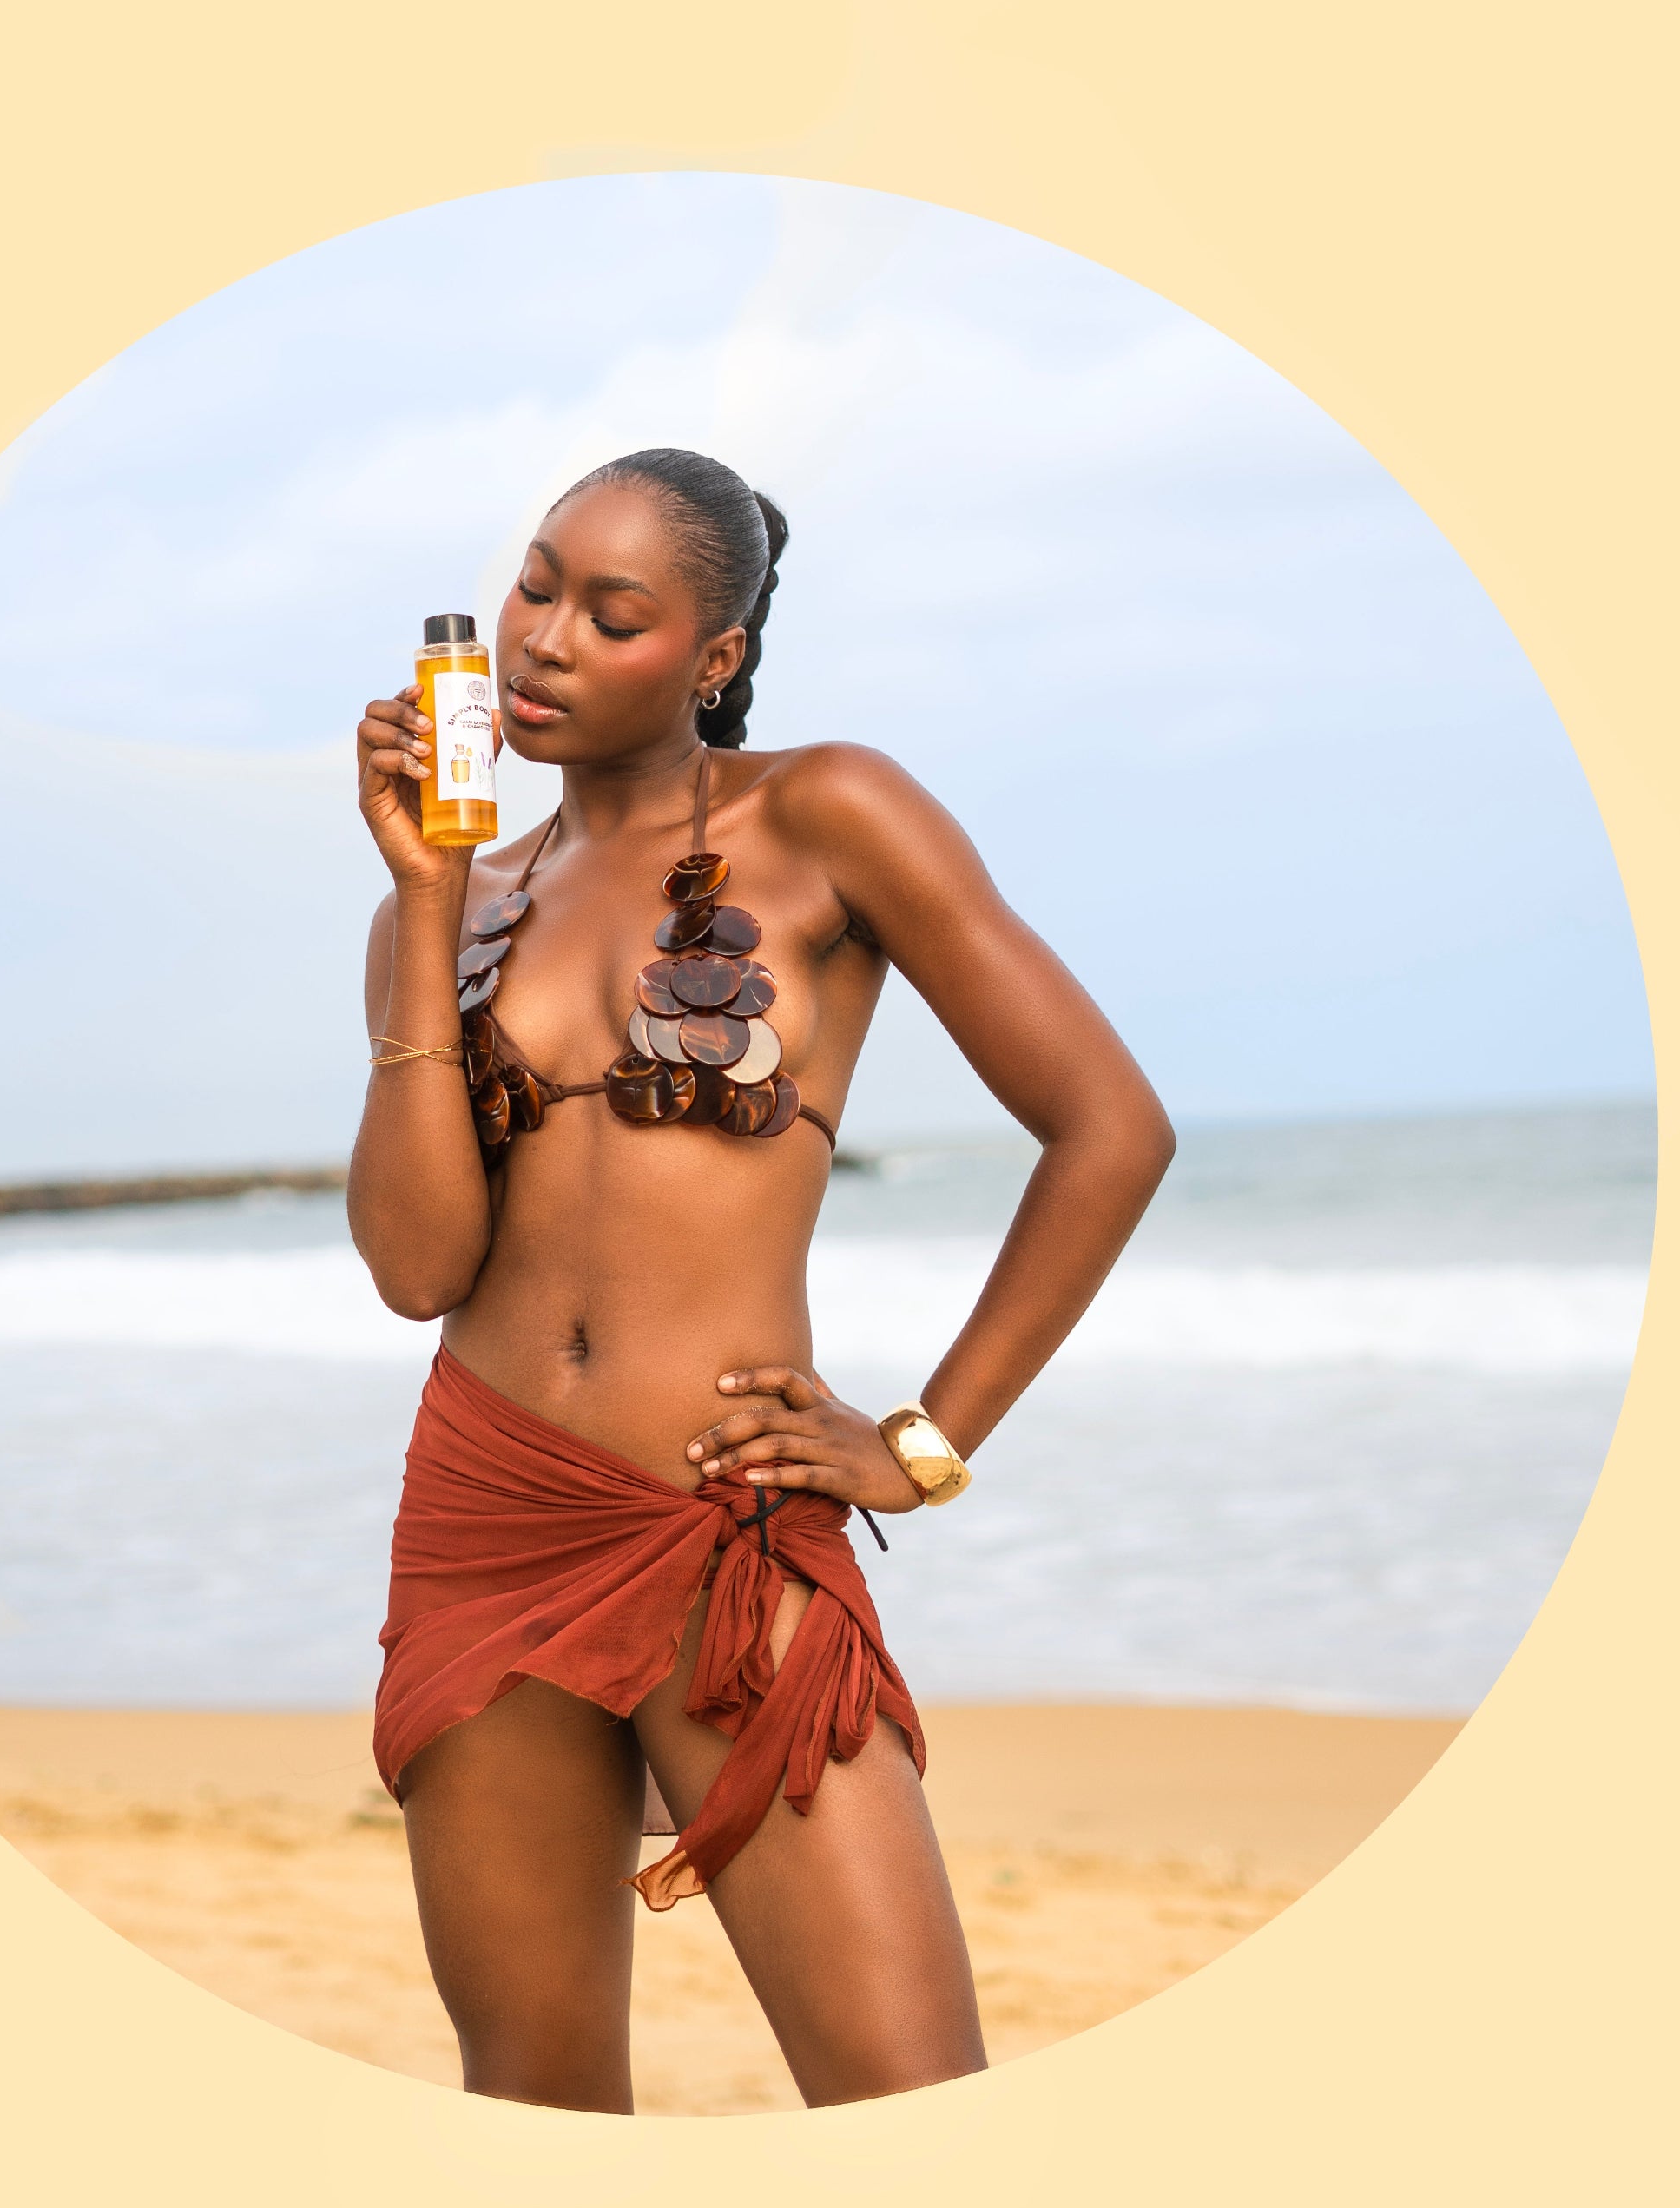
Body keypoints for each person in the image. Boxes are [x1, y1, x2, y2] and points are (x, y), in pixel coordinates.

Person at [350, 449, 1173, 2113]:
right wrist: (423, 907)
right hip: (484, 1522)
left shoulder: (828, 815)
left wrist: (923, 1444)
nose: (545, 640)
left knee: (907, 2093)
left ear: (714, 658)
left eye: (614, 613)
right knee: (535, 2094)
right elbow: (415, 1263)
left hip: (725, 1523)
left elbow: (1110, 1129)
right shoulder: (454, 901)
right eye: (532, 585)